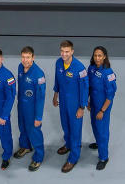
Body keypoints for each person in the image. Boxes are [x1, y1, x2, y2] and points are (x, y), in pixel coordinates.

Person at [52, 39, 88, 173]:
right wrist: (55, 95)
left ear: (72, 51)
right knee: (65, 125)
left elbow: (85, 89)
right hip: (63, 101)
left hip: (75, 104)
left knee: (75, 130)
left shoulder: (80, 68)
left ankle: (73, 157)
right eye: (62, 51)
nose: (64, 54)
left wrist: (82, 107)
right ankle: (68, 144)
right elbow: (57, 80)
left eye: (67, 51)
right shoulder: (58, 63)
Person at [13, 46, 46, 171]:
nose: (25, 60)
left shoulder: (39, 74)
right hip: (21, 105)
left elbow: (41, 98)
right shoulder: (20, 68)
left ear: (33, 57)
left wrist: (38, 117)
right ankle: (25, 146)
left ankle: (38, 157)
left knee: (34, 131)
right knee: (22, 127)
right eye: (23, 57)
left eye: (28, 57)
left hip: (32, 108)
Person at [87, 46, 118, 170]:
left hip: (103, 106)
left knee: (102, 130)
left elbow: (110, 96)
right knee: (94, 125)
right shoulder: (91, 68)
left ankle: (104, 157)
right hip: (94, 103)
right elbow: (89, 86)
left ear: (105, 56)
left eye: (100, 55)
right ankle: (99, 143)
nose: (97, 58)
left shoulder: (108, 73)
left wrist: (102, 110)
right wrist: (88, 101)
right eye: (95, 55)